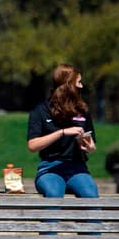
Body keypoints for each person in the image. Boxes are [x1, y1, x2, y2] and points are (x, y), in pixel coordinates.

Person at [26, 64, 99, 199]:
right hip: (50, 169)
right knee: (54, 194)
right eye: (78, 82)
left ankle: (94, 220)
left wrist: (90, 147)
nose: (81, 86)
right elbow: (32, 145)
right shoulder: (41, 110)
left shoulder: (83, 110)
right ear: (69, 86)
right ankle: (52, 221)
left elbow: (91, 143)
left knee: (91, 195)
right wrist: (62, 132)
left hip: (78, 168)